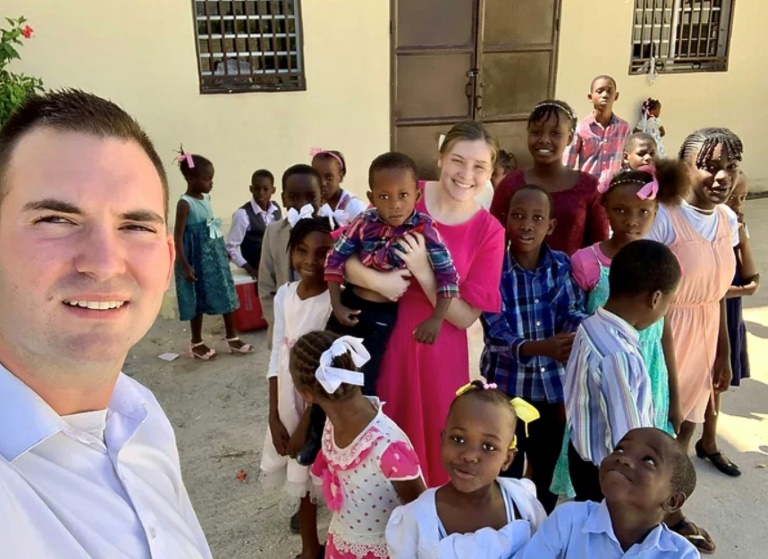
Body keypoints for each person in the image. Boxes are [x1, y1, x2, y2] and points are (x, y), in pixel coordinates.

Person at [0, 89, 211, 557]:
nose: (103, 263)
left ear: (168, 259)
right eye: (55, 219)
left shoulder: (141, 417)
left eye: (136, 226)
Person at [344, 121, 506, 486]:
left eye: (479, 166)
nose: (466, 174)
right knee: (376, 441)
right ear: (440, 159)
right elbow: (340, 253)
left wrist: (423, 270)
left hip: (437, 354)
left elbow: (464, 317)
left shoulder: (489, 231)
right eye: (457, 161)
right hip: (380, 341)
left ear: (491, 171)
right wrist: (377, 281)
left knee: (431, 454)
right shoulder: (402, 192)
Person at [646, 127, 744, 554]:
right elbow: (652, 300)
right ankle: (639, 517)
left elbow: (718, 292)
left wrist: (723, 353)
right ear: (685, 168)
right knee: (655, 431)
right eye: (708, 166)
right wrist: (667, 370)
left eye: (729, 167)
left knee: (686, 429)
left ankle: (669, 512)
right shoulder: (663, 217)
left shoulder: (728, 220)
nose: (721, 176)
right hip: (665, 335)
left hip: (705, 333)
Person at [480, 185, 588, 513]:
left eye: (537, 218)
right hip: (507, 389)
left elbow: (571, 310)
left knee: (546, 463)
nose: (527, 224)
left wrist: (581, 331)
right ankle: (507, 524)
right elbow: (495, 332)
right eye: (518, 216)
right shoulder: (494, 268)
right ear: (505, 221)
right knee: (505, 463)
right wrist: (542, 347)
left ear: (550, 226)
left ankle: (540, 524)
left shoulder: (560, 265)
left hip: (552, 390)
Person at [326, 151, 460, 390]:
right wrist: (336, 304)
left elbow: (448, 277)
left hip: (381, 316)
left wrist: (437, 319)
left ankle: (360, 427)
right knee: (328, 372)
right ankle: (319, 427)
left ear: (417, 195)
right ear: (372, 197)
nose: (395, 204)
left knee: (363, 382)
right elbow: (335, 258)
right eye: (384, 196)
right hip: (349, 303)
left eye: (404, 195)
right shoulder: (363, 222)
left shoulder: (425, 230)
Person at [288, 331, 426, 559]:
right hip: (342, 544)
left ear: (307, 395)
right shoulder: (331, 423)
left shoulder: (386, 447)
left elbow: (422, 510)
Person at [564, 240, 681, 503]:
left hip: (582, 454)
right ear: (656, 298)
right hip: (610, 475)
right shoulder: (621, 357)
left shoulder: (590, 325)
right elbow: (630, 441)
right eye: (669, 302)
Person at [386, 381, 547, 559]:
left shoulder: (523, 502)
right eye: (458, 439)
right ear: (443, 440)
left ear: (507, 459)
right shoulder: (415, 518)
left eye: (488, 446)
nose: (469, 455)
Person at [259, 217, 334, 559]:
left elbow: (332, 369)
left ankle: (338, 544)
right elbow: (277, 350)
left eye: (322, 253)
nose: (310, 261)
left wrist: (307, 422)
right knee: (297, 472)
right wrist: (275, 415)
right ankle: (309, 547)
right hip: (289, 398)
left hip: (321, 402)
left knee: (324, 472)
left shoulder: (335, 302)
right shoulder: (286, 295)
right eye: (302, 251)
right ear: (290, 254)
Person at [513, 428, 699, 558]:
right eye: (619, 448)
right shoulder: (568, 520)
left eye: (648, 460)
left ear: (673, 501)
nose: (624, 458)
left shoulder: (681, 554)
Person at [490, 100, 609, 255]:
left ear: (570, 137)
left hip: (573, 277)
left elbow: (599, 247)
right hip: (517, 277)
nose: (544, 139)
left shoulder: (589, 187)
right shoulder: (511, 184)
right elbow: (494, 240)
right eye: (536, 132)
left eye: (555, 133)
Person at [173, 150, 253, 359]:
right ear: (191, 179)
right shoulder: (185, 204)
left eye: (212, 178)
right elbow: (178, 236)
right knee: (197, 298)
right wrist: (184, 265)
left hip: (213, 256)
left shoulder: (207, 197)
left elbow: (211, 227)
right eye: (207, 178)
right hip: (195, 259)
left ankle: (232, 338)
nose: (211, 183)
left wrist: (222, 251)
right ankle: (196, 342)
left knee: (226, 291)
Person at [258, 164, 323, 347]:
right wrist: (279, 325)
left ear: (322, 198)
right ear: (283, 200)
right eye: (294, 197)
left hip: (323, 327)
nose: (303, 204)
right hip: (286, 329)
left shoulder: (332, 232)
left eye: (311, 197)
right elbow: (266, 285)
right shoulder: (273, 233)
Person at [563, 75, 631, 185]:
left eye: (609, 91)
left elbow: (627, 162)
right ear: (590, 97)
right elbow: (567, 165)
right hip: (588, 189)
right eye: (599, 91)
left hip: (613, 190)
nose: (605, 95)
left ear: (616, 96)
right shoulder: (580, 128)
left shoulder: (624, 128)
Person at [726, 171, 759, 387]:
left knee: (721, 383)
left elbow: (751, 277)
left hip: (731, 311)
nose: (737, 204)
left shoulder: (738, 228)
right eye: (731, 196)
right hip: (710, 315)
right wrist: (743, 290)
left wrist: (742, 239)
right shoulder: (710, 230)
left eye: (743, 197)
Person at [225, 169, 282, 278]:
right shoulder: (243, 214)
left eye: (265, 189)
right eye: (257, 188)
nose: (261, 193)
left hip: (275, 266)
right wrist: (250, 269)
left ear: (273, 190)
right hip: (257, 268)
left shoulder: (276, 209)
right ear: (251, 189)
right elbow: (230, 248)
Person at [311, 148, 367, 227]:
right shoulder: (313, 205)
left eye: (329, 177)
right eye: (317, 177)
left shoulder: (353, 206)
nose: (323, 183)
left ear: (340, 176)